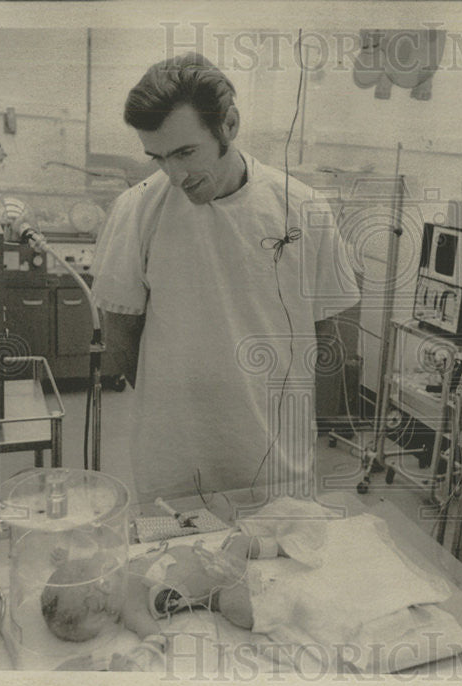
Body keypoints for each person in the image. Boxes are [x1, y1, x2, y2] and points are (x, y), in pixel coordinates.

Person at [90, 53, 359, 502]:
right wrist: (180, 396)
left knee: (278, 565)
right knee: (173, 568)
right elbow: (119, 341)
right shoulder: (137, 209)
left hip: (276, 459)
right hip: (172, 462)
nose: (174, 176)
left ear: (229, 125)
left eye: (185, 152)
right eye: (158, 158)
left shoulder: (302, 208)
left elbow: (329, 332)